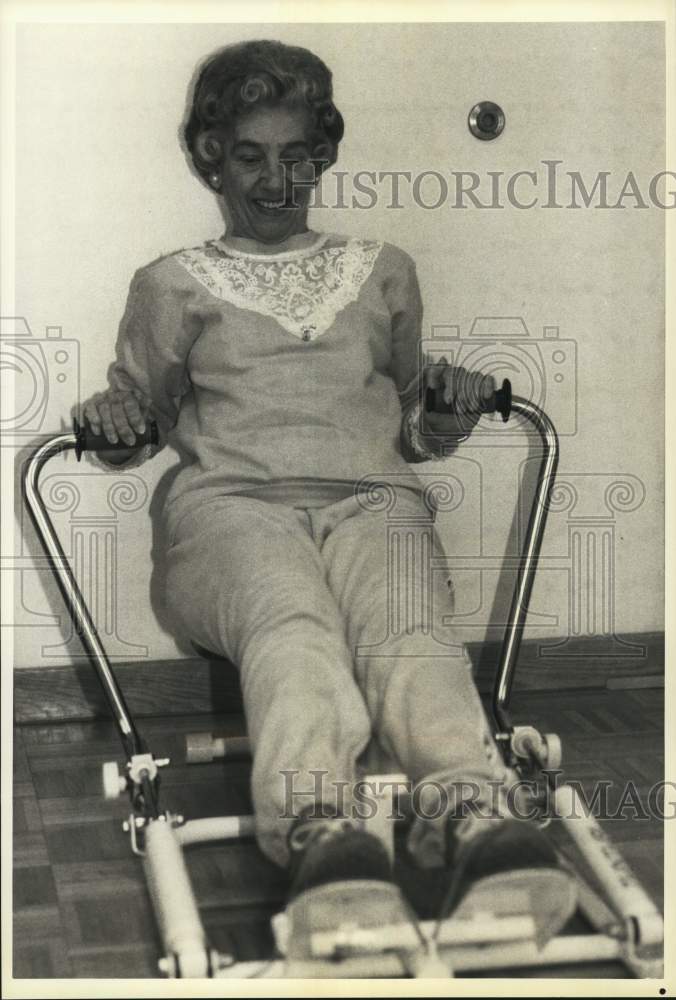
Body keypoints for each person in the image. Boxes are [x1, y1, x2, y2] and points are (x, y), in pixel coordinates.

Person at [81, 39, 573, 930]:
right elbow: (136, 427)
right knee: (294, 631)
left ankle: (475, 816)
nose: (278, 181)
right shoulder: (170, 284)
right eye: (250, 156)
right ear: (209, 158)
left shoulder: (384, 270)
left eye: (299, 156)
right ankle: (321, 832)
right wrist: (116, 424)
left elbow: (418, 432)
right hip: (232, 513)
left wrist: (451, 405)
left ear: (326, 153)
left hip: (376, 501)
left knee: (411, 637)